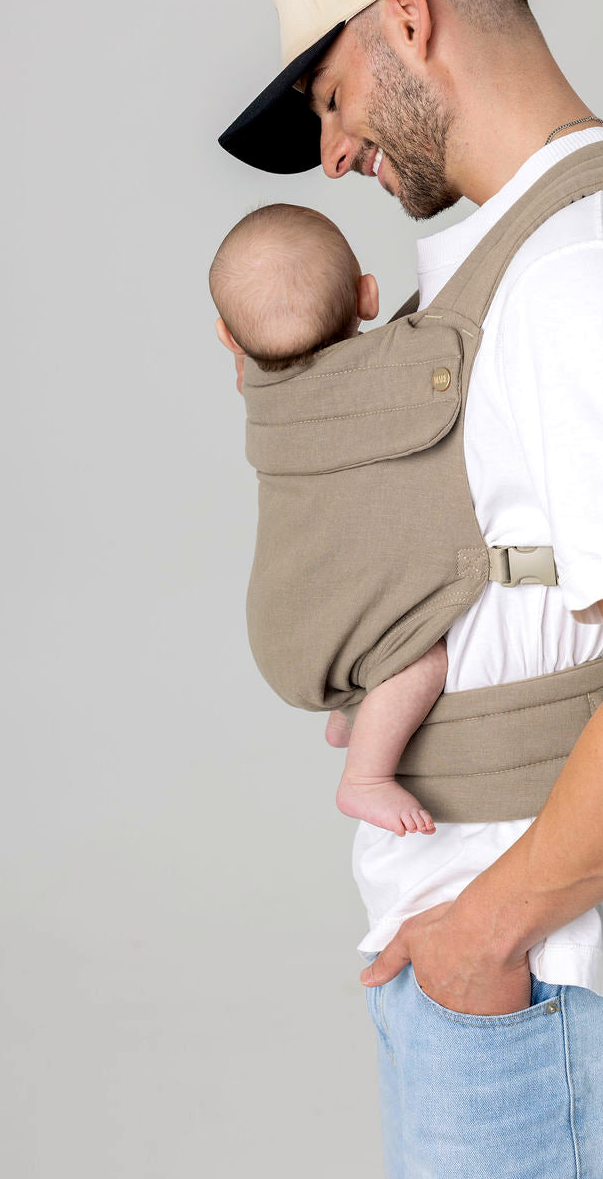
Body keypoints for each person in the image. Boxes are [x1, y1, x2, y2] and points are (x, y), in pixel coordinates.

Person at [217, 0, 603, 1178]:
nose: (337, 153)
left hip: (538, 966)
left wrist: (483, 937)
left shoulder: (589, 264)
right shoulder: (501, 263)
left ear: (405, 15)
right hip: (499, 952)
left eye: (332, 101)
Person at [208, 200, 449, 837]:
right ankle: (367, 775)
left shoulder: (255, 389)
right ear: (369, 297)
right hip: (350, 626)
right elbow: (437, 332)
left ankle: (351, 710)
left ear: (228, 340)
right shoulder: (396, 368)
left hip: (278, 624)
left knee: (372, 649)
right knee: (422, 660)